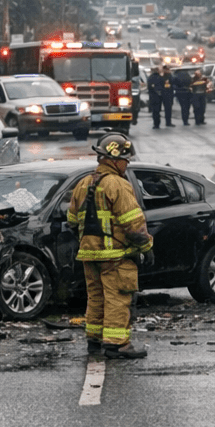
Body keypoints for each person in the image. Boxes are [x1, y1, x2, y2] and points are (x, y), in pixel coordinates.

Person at [67, 133, 153, 360]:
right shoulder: (118, 184)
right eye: (126, 159)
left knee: (96, 298)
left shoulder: (83, 184)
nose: (127, 164)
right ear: (114, 160)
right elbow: (133, 224)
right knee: (117, 298)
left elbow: (72, 220)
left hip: (89, 254)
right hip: (116, 256)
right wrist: (146, 247)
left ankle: (94, 341)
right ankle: (117, 344)